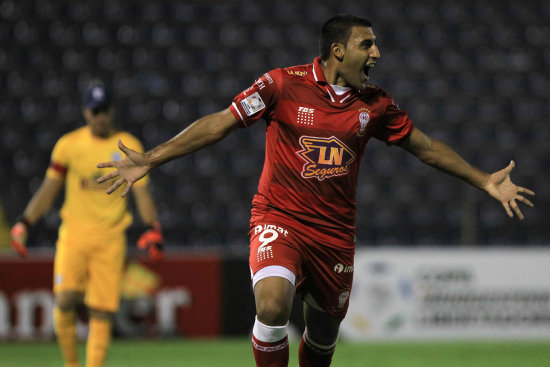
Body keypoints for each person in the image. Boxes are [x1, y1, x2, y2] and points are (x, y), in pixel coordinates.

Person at [96, 15, 535, 367]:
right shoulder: (281, 84)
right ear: (337, 51)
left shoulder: (375, 104)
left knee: (322, 339)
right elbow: (221, 122)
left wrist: (483, 180)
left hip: (335, 235)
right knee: (271, 307)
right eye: (368, 45)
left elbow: (427, 149)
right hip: (278, 218)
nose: (377, 53)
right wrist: (151, 158)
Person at [10, 82, 163, 367]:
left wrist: (152, 227)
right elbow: (48, 190)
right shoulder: (68, 145)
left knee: (101, 311)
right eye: (95, 111)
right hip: (74, 236)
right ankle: (71, 364)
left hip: (111, 237)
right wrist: (24, 222)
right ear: (85, 112)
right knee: (65, 300)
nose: (100, 116)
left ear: (112, 111)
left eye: (104, 110)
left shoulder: (128, 146)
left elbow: (142, 192)